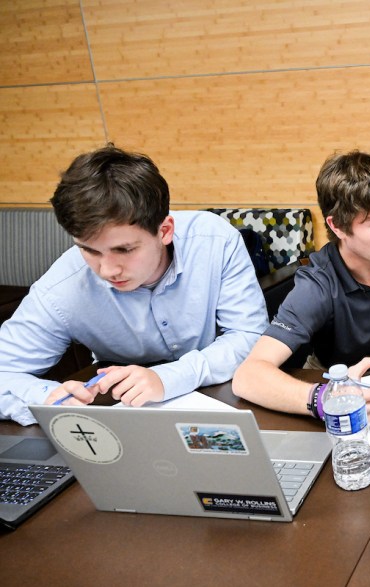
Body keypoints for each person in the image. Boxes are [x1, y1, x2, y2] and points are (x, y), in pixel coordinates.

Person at [0, 145, 268, 425]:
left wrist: (171, 377)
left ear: (164, 231)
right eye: (89, 251)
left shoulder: (214, 241)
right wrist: (44, 396)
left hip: (227, 400)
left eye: (124, 250)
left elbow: (250, 336)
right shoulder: (62, 287)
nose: (107, 270)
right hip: (125, 418)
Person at [232, 150, 370, 417]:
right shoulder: (318, 282)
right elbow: (248, 376)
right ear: (337, 227)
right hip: (334, 382)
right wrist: (328, 399)